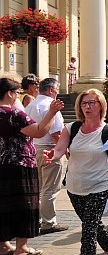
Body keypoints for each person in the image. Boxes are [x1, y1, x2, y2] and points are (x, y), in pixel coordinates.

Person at [43, 89, 108, 255]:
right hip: (75, 188)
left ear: (100, 105)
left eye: (92, 102)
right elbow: (60, 149)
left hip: (99, 186)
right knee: (93, 225)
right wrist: (53, 155)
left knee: (88, 233)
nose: (87, 106)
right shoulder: (72, 128)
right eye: (84, 103)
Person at [0, 77, 64, 255]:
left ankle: (3, 245)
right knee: (24, 205)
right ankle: (22, 247)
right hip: (19, 165)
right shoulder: (13, 114)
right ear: (9, 93)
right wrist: (51, 113)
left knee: (3, 205)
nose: (18, 97)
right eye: (17, 93)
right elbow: (40, 130)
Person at [25, 78, 68, 235]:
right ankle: (49, 222)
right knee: (50, 187)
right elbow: (56, 133)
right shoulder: (51, 107)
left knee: (38, 187)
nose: (57, 93)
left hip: (33, 148)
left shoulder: (31, 105)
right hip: (50, 148)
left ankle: (37, 219)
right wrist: (64, 151)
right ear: (51, 90)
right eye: (56, 90)